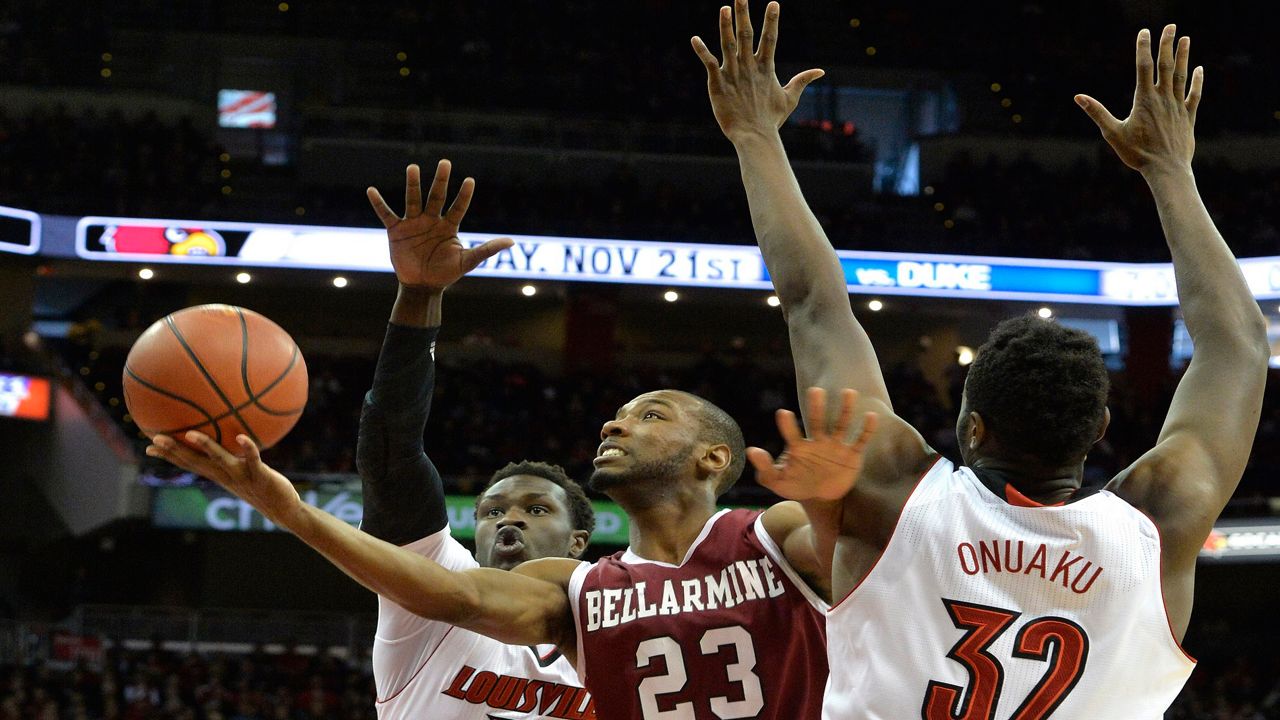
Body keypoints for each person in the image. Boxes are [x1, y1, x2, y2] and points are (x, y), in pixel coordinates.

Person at [694, 2, 1270, 717]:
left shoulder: (894, 495)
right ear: (1097, 432)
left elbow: (815, 302)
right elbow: (1239, 345)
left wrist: (754, 137)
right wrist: (1171, 171)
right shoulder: (1158, 525)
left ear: (971, 427)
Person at [146, 199, 879, 718]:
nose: (504, 524)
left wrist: (837, 502)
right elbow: (400, 469)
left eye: (532, 509)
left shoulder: (751, 545)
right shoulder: (537, 594)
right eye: (492, 509)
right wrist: (290, 508)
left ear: (581, 536)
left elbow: (873, 549)